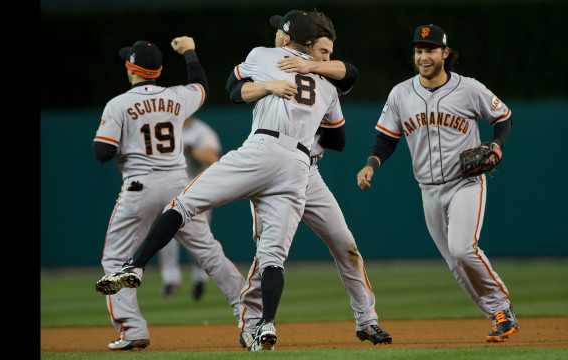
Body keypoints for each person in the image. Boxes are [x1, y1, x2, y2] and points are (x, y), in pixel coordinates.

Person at [95, 10, 345, 352]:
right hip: (299, 165)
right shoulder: (329, 83)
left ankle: (135, 267)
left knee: (182, 205)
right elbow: (339, 139)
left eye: (279, 32)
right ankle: (264, 325)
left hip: (262, 147)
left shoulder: (264, 54)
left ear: (287, 39)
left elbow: (231, 89)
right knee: (271, 256)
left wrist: (267, 87)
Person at [225, 9, 392, 350]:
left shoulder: (324, 84)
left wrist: (317, 74)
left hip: (309, 173)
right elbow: (235, 87)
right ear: (307, 45)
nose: (329, 58)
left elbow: (341, 132)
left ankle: (367, 321)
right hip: (272, 167)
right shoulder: (276, 67)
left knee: (346, 244)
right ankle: (251, 323)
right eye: (324, 52)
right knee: (267, 255)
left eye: (330, 55)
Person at [356, 24, 518, 343]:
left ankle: (504, 307)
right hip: (428, 190)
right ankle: (499, 316)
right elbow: (386, 138)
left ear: (445, 53)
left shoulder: (469, 88)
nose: (423, 56)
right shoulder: (401, 93)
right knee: (455, 263)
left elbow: (503, 117)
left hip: (465, 184)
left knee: (462, 248)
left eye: (430, 49)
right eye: (419, 50)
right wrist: (371, 165)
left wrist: (497, 145)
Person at [92, 37, 246, 350]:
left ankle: (133, 329)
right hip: (180, 185)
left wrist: (124, 145)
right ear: (158, 70)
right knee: (209, 252)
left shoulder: (119, 104)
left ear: (130, 68)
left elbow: (102, 152)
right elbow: (200, 84)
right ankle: (252, 314)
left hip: (140, 186)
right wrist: (189, 50)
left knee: (115, 259)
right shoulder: (178, 96)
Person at [157, 115, 222, 300]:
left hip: (196, 189)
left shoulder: (203, 131)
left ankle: (200, 278)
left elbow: (212, 157)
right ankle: (171, 279)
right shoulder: (163, 127)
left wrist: (188, 147)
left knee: (198, 236)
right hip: (169, 187)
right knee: (166, 235)